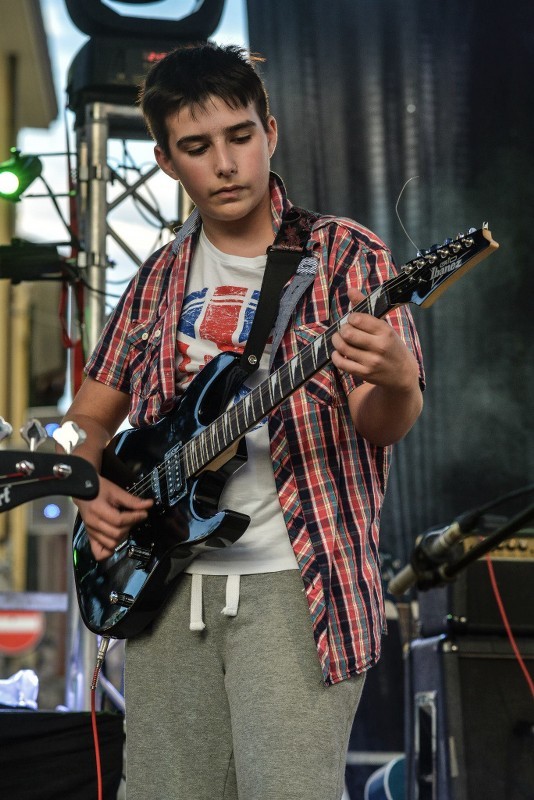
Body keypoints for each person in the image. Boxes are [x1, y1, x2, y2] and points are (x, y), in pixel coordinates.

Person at [63, 42, 424, 800]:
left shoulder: (344, 256)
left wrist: (396, 380)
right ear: (167, 161)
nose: (226, 164)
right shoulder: (157, 278)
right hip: (165, 588)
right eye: (197, 147)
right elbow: (82, 421)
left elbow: (382, 423)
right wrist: (85, 482)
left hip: (297, 587)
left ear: (271, 133)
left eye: (240, 136)